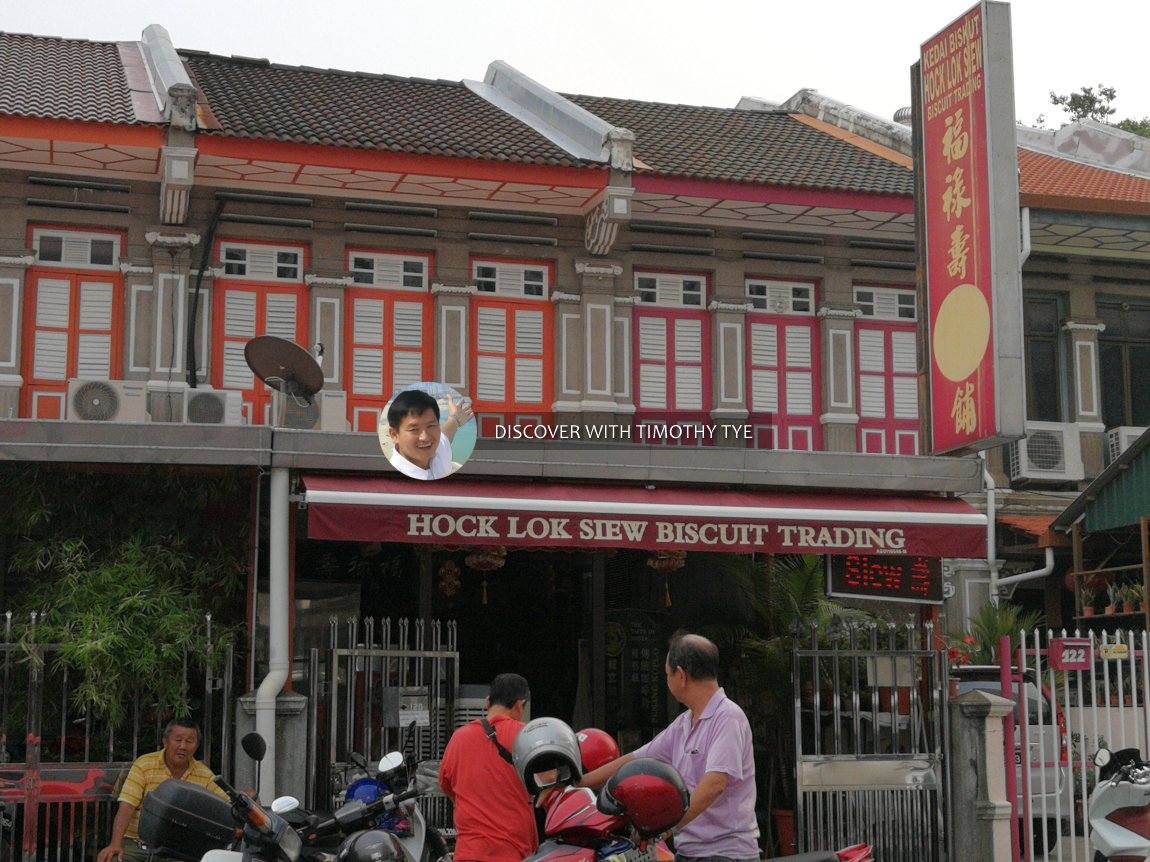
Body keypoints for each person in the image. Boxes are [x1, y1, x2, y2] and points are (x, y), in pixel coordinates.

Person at [581, 634, 760, 862]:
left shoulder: (727, 717)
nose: (667, 680)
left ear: (681, 676)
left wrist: (665, 829)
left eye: (667, 674)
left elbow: (715, 784)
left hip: (725, 855)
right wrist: (578, 782)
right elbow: (636, 760)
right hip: (689, 853)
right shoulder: (684, 724)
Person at [97, 718, 227, 862]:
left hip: (178, 850)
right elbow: (127, 806)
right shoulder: (144, 765)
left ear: (196, 745)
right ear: (166, 741)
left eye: (189, 741)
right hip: (137, 844)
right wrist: (115, 844)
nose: (183, 746)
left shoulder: (204, 775)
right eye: (178, 740)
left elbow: (225, 804)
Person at [439, 673, 537, 862]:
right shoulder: (525, 736)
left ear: (487, 702)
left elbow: (448, 787)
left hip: (469, 852)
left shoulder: (459, 738)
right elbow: (548, 780)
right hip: (513, 852)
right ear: (520, 705)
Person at [385, 388, 473, 480]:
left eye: (431, 426)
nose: (425, 437)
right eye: (414, 429)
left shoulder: (438, 450)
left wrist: (456, 418)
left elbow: (447, 432)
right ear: (394, 435)